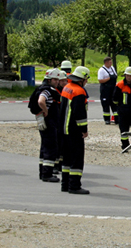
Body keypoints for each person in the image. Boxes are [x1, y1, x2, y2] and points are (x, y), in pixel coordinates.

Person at [60, 66, 91, 194]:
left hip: (64, 129)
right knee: (77, 159)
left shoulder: (66, 88)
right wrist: (84, 130)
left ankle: (65, 184)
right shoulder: (79, 92)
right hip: (74, 130)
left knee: (66, 159)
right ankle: (74, 186)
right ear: (82, 79)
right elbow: (80, 114)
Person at [31, 69, 61, 182]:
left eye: (58, 79)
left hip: (45, 122)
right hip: (49, 122)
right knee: (51, 147)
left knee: (45, 147)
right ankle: (47, 174)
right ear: (49, 80)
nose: (57, 82)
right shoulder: (47, 91)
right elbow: (41, 101)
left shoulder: (43, 89)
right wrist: (46, 110)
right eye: (55, 79)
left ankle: (42, 172)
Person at [114, 67, 131, 152]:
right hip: (123, 111)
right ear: (125, 75)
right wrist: (120, 106)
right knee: (124, 129)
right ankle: (125, 146)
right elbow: (114, 98)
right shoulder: (120, 84)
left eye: (130, 76)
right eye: (127, 75)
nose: (129, 77)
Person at [53, 70, 68, 175]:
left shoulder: (66, 91)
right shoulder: (55, 92)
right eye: (62, 81)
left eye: (65, 80)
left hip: (63, 121)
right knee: (56, 144)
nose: (64, 83)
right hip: (56, 120)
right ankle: (55, 164)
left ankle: (60, 164)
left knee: (63, 144)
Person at [97, 57, 118, 124]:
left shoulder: (112, 68)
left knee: (114, 104)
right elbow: (100, 80)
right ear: (106, 63)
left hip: (113, 90)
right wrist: (109, 78)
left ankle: (117, 119)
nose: (111, 63)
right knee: (106, 105)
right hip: (105, 90)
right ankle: (107, 119)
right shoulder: (101, 70)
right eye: (110, 62)